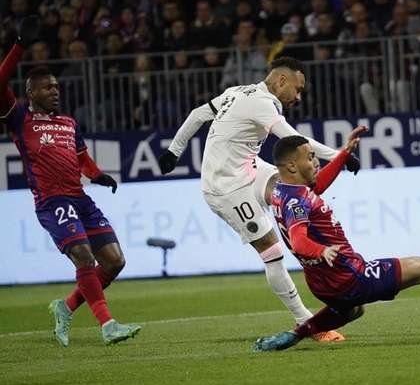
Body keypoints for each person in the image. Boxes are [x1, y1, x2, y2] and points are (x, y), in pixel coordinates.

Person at [252, 131, 420, 352]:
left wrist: (344, 154)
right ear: (291, 166)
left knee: (352, 311)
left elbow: (317, 186)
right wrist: (322, 250)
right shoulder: (297, 201)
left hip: (323, 283)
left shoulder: (285, 191)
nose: (315, 162)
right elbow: (299, 242)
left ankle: (294, 335)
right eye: (310, 158)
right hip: (348, 275)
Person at [158, 57, 359, 342]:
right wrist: (340, 155)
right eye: (297, 89)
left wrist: (174, 151)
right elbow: (296, 143)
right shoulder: (262, 103)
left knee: (297, 193)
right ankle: (309, 324)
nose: (298, 97)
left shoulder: (237, 91)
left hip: (250, 168)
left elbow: (198, 113)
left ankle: (312, 253)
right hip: (226, 187)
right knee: (272, 251)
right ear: (281, 81)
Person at [0, 18, 140, 346]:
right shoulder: (20, 118)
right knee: (83, 255)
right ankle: (108, 325)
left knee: (115, 261)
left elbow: (81, 158)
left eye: (57, 88)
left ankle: (65, 306)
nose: (55, 92)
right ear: (31, 92)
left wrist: (97, 174)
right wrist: (19, 45)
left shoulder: (68, 122)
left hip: (80, 198)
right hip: (52, 201)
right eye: (48, 88)